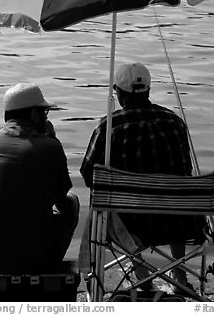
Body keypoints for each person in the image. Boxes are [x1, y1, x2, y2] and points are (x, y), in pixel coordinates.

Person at [80, 62, 199, 292]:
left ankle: (141, 273)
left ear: (118, 92)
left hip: (130, 226)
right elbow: (185, 172)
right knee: (174, 193)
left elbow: (89, 175)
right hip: (180, 223)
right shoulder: (175, 122)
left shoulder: (108, 127)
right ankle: (179, 275)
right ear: (148, 90)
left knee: (112, 202)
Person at [0, 83, 79, 301]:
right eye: (44, 112)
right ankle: (49, 264)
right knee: (72, 201)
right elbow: (61, 199)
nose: (46, 116)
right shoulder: (52, 146)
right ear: (33, 114)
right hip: (39, 256)